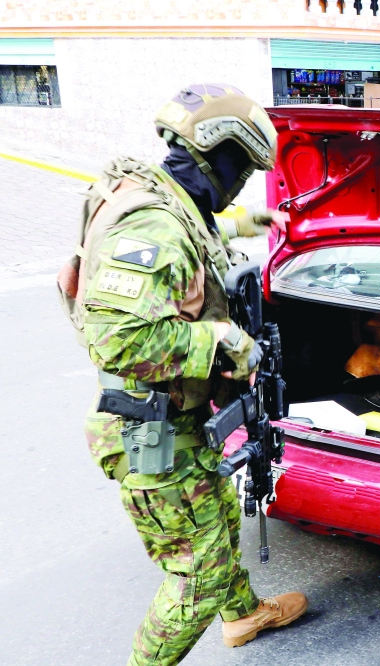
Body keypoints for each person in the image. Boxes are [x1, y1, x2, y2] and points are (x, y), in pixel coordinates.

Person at [57, 84, 308, 664]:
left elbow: (193, 235)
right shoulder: (153, 225)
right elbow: (117, 337)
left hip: (179, 419)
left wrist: (250, 223)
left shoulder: (163, 195)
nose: (242, 182)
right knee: (197, 576)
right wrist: (221, 342)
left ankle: (242, 615)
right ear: (214, 153)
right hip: (149, 435)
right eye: (241, 169)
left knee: (219, 517)